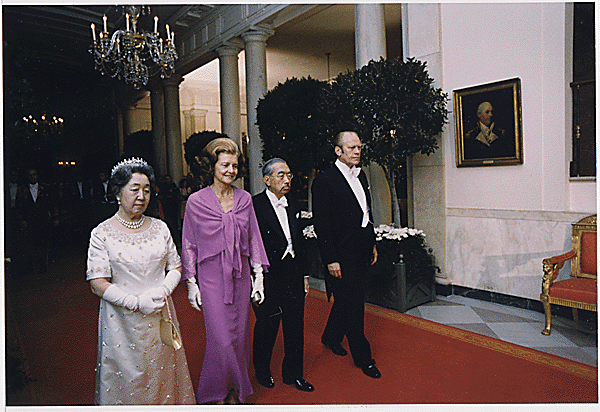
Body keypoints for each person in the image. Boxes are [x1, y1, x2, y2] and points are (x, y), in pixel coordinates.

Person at [86, 157, 195, 405]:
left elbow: (175, 266)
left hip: (160, 313)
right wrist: (136, 303)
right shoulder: (102, 233)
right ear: (118, 192)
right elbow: (97, 282)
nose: (142, 196)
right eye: (134, 189)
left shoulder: (160, 228)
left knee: (162, 372)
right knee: (128, 379)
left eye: (146, 190)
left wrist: (162, 292)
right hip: (121, 321)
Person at [181, 138, 269, 405]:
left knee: (239, 337)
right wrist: (191, 283)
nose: (230, 170)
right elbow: (189, 243)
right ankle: (216, 390)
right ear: (212, 166)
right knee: (220, 338)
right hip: (210, 278)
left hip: (240, 276)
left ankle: (235, 390)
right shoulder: (196, 202)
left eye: (234, 165)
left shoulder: (244, 199)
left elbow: (254, 238)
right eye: (225, 165)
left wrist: (259, 278)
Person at [311, 130, 381, 379]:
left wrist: (371, 244)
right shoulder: (324, 180)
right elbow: (323, 224)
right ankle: (364, 358)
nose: (357, 151)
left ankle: (330, 337)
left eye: (359, 147)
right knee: (354, 303)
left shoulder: (361, 176)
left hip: (361, 248)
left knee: (348, 297)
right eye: (351, 147)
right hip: (341, 252)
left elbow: (366, 214)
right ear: (338, 151)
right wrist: (331, 258)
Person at [251, 158, 314, 392]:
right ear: (267, 180)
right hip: (269, 274)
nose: (286, 179)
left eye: (289, 175)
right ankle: (262, 370)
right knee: (267, 325)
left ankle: (294, 374)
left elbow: (300, 242)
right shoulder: (255, 205)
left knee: (295, 325)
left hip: (294, 272)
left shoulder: (293, 203)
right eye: (280, 175)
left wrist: (305, 274)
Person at [16, 168, 53, 274]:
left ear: (37, 175)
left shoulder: (45, 187)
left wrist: (54, 216)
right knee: (31, 243)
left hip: (43, 219)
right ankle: (32, 266)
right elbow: (19, 206)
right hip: (29, 220)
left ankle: (43, 265)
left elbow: (51, 203)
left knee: (43, 243)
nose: (32, 177)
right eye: (30, 175)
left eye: (34, 174)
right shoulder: (22, 189)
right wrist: (22, 219)